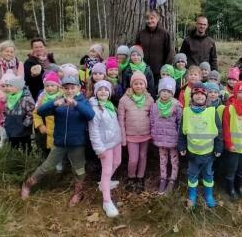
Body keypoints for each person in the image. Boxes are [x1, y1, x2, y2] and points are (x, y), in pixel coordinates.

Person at [20, 75, 95, 205]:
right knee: (47, 166)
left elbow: (90, 115)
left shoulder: (83, 101)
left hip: (76, 143)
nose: (70, 91)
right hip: (59, 142)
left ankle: (78, 193)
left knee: (78, 169)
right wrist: (54, 103)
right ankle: (27, 185)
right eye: (66, 88)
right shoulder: (58, 101)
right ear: (62, 89)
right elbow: (40, 112)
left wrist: (76, 104)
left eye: (72, 88)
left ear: (78, 88)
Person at [178, 82, 223, 208]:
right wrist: (181, 146)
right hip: (192, 152)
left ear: (206, 97)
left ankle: (209, 195)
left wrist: (219, 147)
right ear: (192, 96)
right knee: (192, 174)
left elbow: (219, 131)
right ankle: (192, 195)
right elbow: (181, 131)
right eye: (196, 94)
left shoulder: (211, 112)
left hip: (208, 152)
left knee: (208, 174)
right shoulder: (186, 112)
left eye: (202, 94)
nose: (199, 96)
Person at [88, 80, 122, 218]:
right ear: (96, 92)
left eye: (106, 89)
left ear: (109, 93)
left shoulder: (110, 105)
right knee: (107, 170)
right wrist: (99, 149)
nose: (103, 91)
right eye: (100, 89)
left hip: (116, 141)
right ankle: (106, 201)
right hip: (105, 145)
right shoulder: (94, 109)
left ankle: (103, 184)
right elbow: (93, 131)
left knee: (117, 162)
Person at [118, 71, 154, 193]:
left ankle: (140, 178)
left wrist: (153, 134)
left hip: (145, 134)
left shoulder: (149, 99)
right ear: (131, 85)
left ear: (145, 85)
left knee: (143, 156)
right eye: (136, 84)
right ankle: (131, 177)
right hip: (131, 135)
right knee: (133, 159)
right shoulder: (124, 100)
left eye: (141, 83)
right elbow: (121, 120)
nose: (139, 86)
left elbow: (153, 118)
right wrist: (123, 138)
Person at [0, 40, 24, 146]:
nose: (9, 53)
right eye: (6, 51)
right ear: (1, 52)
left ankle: (17, 142)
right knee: (2, 119)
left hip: (16, 95)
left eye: (11, 52)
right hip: (1, 96)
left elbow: (20, 80)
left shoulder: (19, 64)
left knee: (17, 118)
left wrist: (16, 95)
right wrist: (3, 96)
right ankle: (2, 142)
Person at [150, 77, 182, 195]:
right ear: (159, 92)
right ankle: (163, 178)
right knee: (162, 160)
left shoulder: (177, 106)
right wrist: (153, 135)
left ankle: (172, 179)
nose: (165, 94)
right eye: (163, 91)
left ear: (172, 93)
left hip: (173, 139)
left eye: (168, 92)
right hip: (160, 139)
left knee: (174, 160)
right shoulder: (155, 106)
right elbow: (152, 121)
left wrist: (179, 137)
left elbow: (180, 123)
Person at [1, 72, 35, 153]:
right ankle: (15, 162)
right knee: (13, 147)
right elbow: (4, 112)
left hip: (23, 130)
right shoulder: (8, 98)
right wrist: (5, 123)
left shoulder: (26, 99)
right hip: (11, 128)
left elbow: (31, 113)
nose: (8, 88)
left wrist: (25, 124)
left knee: (25, 147)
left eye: (11, 86)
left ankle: (27, 162)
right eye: (8, 86)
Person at [135, 10, 173, 83]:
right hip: (143, 69)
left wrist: (165, 68)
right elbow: (136, 50)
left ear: (157, 18)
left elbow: (169, 52)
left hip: (159, 71)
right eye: (147, 19)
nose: (149, 21)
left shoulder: (164, 34)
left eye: (152, 18)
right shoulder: (141, 34)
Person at [32, 71, 63, 158]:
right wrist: (40, 125)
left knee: (58, 149)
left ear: (58, 86)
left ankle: (60, 167)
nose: (50, 88)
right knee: (45, 147)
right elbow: (35, 112)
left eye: (52, 85)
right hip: (45, 127)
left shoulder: (62, 96)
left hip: (58, 126)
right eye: (47, 86)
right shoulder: (42, 97)